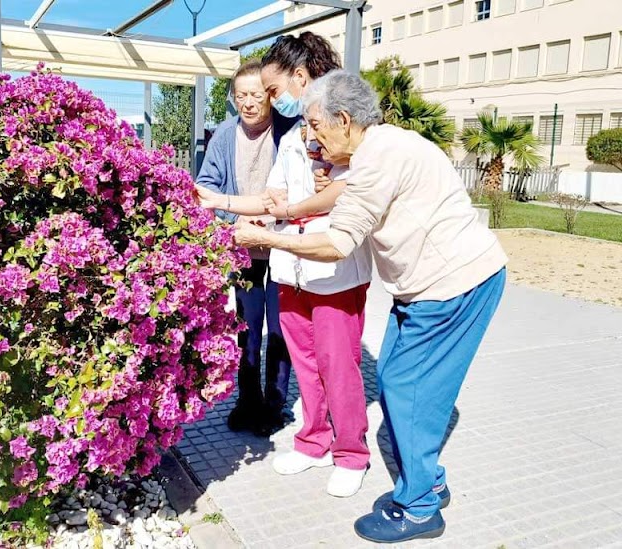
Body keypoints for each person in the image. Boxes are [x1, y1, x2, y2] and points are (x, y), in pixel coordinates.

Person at [233, 70, 508, 543]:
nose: (312, 137)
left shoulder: (376, 161)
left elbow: (339, 242)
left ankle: (420, 508)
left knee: (406, 389)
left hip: (453, 286)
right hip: (425, 289)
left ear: (343, 119)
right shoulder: (383, 145)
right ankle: (429, 481)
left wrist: (264, 237)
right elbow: (341, 195)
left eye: (316, 126)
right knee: (394, 381)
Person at [197, 32, 373, 499]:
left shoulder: (347, 131)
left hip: (333, 269)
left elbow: (342, 194)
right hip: (289, 269)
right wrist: (221, 199)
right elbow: (273, 197)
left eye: (272, 92)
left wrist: (286, 215)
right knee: (304, 359)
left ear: (299, 78)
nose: (270, 102)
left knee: (339, 365)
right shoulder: (296, 136)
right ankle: (313, 440)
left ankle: (351, 453)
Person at [196, 59, 296, 436]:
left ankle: (274, 404)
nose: (249, 103)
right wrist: (232, 222)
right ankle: (246, 400)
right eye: (241, 96)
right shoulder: (223, 135)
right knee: (247, 327)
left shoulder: (289, 131)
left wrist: (275, 221)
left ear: (270, 96)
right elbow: (206, 186)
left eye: (256, 94)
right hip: (244, 249)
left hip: (283, 247)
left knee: (281, 329)